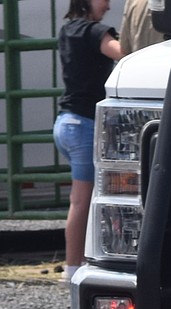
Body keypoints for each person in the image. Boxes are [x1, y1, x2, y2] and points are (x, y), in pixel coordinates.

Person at [53, 0, 124, 281]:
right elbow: (124, 53)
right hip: (85, 124)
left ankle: (82, 261)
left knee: (90, 198)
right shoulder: (95, 32)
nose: (107, 5)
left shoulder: (67, 30)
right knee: (82, 201)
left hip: (65, 122)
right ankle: (72, 269)